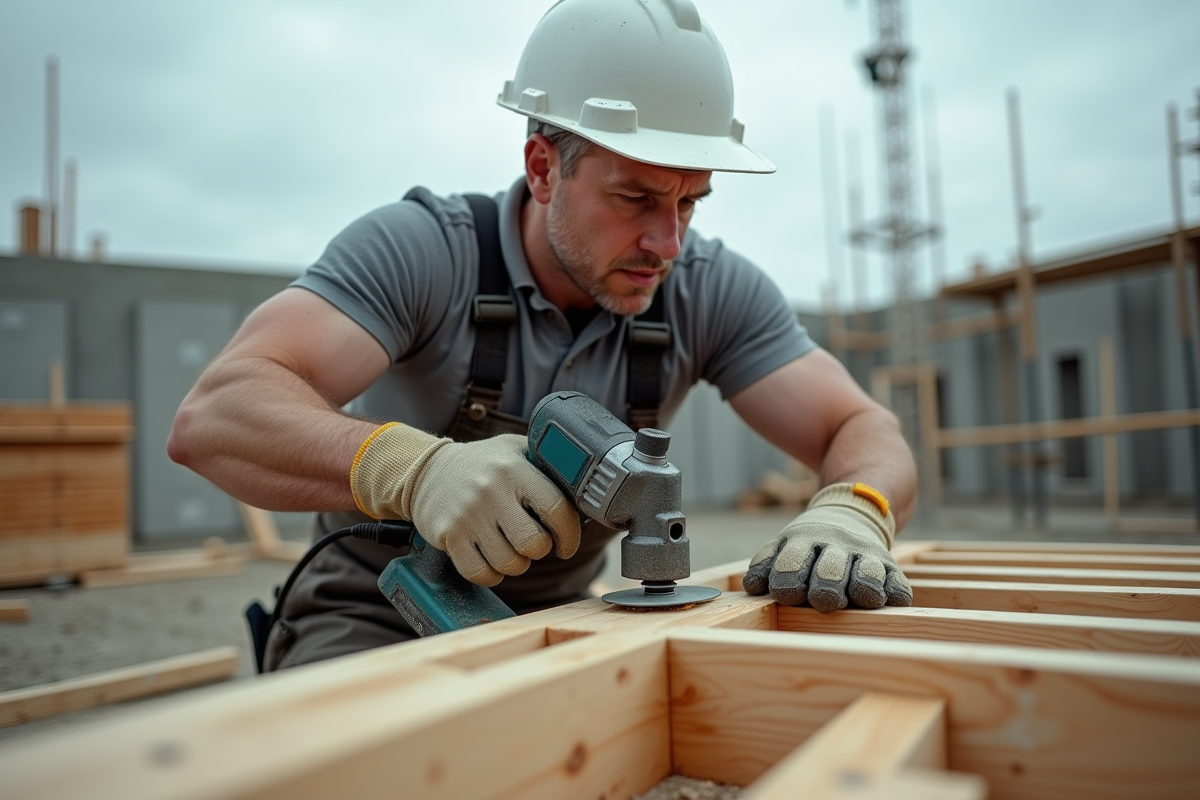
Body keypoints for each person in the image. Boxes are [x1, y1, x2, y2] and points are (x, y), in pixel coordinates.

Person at [168, 0, 917, 672]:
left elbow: (859, 425)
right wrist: (413, 470)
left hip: (563, 626)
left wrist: (855, 507)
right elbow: (216, 417)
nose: (669, 243)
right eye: (637, 198)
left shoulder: (709, 289)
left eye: (691, 202)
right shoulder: (424, 252)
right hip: (374, 624)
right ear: (544, 168)